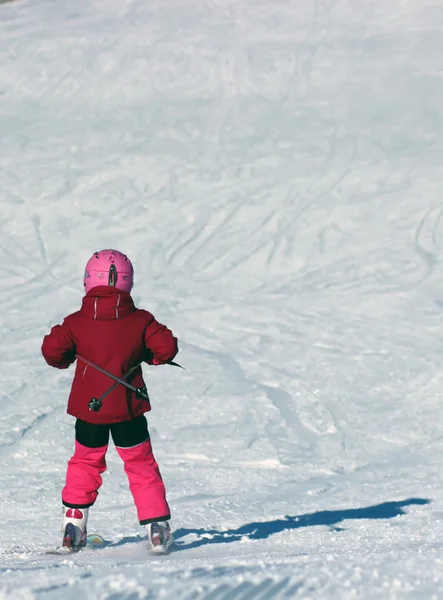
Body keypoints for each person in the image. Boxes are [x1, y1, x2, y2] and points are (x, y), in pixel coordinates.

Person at [41, 249, 178, 553]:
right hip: (128, 411)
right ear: (127, 282)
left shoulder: (76, 322)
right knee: (141, 464)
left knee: (84, 463)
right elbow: (166, 347)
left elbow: (52, 349)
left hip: (89, 411)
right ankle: (156, 529)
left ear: (89, 280)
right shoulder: (140, 320)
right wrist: (149, 356)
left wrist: (66, 360)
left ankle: (73, 526)